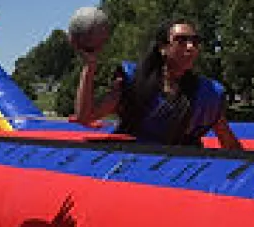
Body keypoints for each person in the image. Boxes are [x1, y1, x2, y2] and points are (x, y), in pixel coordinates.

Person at [74, 20, 243, 149]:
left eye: (195, 41)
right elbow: (85, 116)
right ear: (163, 47)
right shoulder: (133, 82)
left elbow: (229, 144)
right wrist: (90, 67)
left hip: (177, 174)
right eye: (181, 41)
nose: (190, 47)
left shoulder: (207, 94)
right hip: (132, 168)